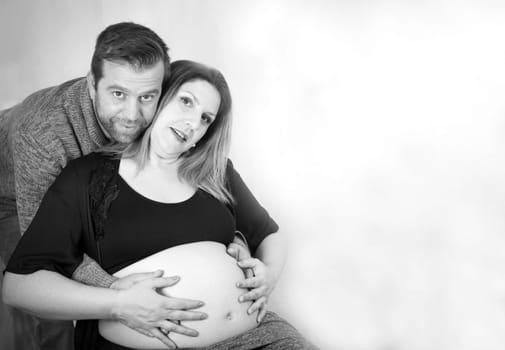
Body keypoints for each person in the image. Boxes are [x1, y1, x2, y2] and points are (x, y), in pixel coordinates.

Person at [2, 60, 316, 350]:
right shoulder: (88, 177)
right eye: (186, 101)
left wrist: (269, 275)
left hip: (258, 336)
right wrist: (117, 304)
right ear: (159, 98)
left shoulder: (216, 173)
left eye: (205, 118)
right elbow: (19, 285)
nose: (192, 122)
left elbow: (269, 235)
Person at [0, 22, 246, 350]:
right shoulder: (44, 135)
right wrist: (117, 291)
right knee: (45, 308)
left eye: (147, 96)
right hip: (7, 194)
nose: (133, 114)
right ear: (92, 85)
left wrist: (237, 244)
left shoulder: (162, 129)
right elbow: (50, 256)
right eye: (118, 94)